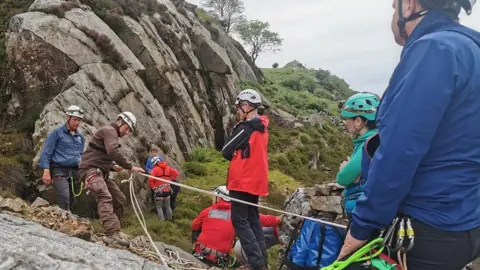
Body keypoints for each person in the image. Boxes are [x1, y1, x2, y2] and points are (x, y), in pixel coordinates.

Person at [338, 1, 480, 269]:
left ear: (410, 6)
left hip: (422, 231)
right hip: (465, 226)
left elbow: (398, 151)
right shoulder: (471, 50)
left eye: (394, 7)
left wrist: (362, 226)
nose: (393, 15)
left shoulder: (434, 49)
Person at [79, 111, 145, 247]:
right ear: (120, 121)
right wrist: (129, 166)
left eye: (129, 131)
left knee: (118, 198)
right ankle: (111, 235)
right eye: (127, 128)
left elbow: (101, 154)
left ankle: (115, 231)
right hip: (91, 171)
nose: (127, 133)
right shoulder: (110, 130)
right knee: (104, 196)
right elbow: (112, 151)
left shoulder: (109, 133)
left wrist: (114, 167)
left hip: (99, 172)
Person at [221, 89, 270, 270]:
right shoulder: (262, 127)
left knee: (239, 220)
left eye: (239, 107)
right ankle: (262, 261)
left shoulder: (246, 128)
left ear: (247, 106)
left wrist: (234, 152)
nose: (237, 111)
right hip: (256, 181)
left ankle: (256, 263)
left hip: (242, 180)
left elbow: (226, 149)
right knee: (252, 219)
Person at [191, 186, 282, 268]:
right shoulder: (240, 214)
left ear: (219, 198)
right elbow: (261, 219)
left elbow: (194, 226)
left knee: (197, 230)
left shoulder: (207, 211)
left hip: (200, 252)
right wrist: (278, 219)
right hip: (219, 258)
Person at [336, 93, 379, 217]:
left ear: (358, 121)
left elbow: (342, 178)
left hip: (361, 209)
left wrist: (345, 168)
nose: (345, 123)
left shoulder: (368, 144)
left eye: (347, 119)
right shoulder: (377, 139)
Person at [39, 105, 85, 212]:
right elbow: (46, 152)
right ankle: (64, 222)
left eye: (79, 120)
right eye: (75, 120)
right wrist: (46, 170)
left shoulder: (80, 137)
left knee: (75, 200)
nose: (77, 123)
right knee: (64, 197)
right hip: (58, 170)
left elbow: (81, 155)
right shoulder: (57, 133)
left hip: (75, 171)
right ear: (68, 117)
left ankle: (71, 223)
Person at [148, 156, 179, 221]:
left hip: (159, 191)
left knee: (159, 207)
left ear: (155, 163)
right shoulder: (168, 167)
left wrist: (153, 187)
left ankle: (162, 222)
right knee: (168, 206)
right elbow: (176, 174)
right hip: (167, 190)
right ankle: (170, 220)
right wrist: (170, 178)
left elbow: (150, 180)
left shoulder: (155, 169)